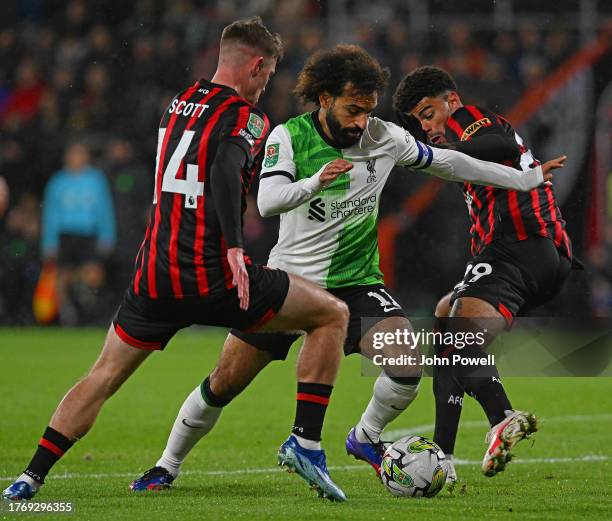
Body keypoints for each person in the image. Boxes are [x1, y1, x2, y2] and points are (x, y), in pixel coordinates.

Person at [128, 45, 567, 494]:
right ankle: (166, 464)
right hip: (288, 284)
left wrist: (524, 178)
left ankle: (364, 437)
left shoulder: (384, 137)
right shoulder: (289, 136)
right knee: (224, 381)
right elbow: (267, 201)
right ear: (323, 99)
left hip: (357, 284)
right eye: (353, 109)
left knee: (407, 365)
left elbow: (451, 163)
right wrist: (314, 182)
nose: (362, 121)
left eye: (368, 110)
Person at [3, 17, 351, 503]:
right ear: (255, 65)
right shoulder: (248, 117)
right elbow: (228, 168)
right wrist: (233, 244)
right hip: (213, 274)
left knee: (101, 377)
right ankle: (306, 443)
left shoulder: (177, 103)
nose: (265, 86)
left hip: (154, 278)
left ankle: (30, 477)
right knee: (332, 314)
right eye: (267, 75)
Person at [393, 66, 575, 488]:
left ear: (451, 102)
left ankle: (501, 416)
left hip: (524, 245)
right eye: (418, 122)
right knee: (446, 321)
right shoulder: (454, 150)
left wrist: (455, 148)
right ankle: (446, 453)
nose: (428, 127)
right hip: (527, 254)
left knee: (457, 327)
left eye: (428, 113)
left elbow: (494, 141)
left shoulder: (468, 119)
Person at [40, 141, 116, 324]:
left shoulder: (96, 180)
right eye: (73, 154)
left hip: (88, 232)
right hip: (66, 233)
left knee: (93, 273)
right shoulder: (58, 182)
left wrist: (107, 235)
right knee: (63, 275)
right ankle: (67, 314)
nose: (77, 158)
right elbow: (50, 213)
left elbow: (105, 209)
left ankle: (89, 309)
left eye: (80, 154)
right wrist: (49, 242)